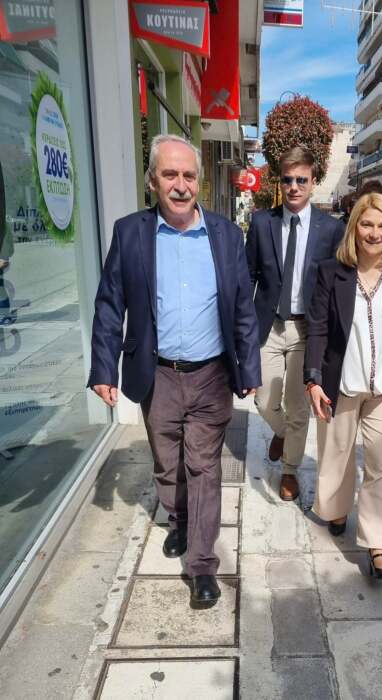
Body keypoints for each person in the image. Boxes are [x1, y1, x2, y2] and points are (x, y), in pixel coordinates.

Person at [89, 134, 260, 607]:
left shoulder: (226, 235)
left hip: (211, 375)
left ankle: (202, 564)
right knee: (168, 463)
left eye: (188, 175)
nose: (180, 185)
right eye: (170, 175)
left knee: (203, 465)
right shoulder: (130, 232)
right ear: (152, 181)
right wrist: (103, 367)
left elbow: (242, 308)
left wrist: (249, 367)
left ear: (199, 182)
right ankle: (179, 520)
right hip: (157, 374)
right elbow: (110, 304)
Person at [305, 192, 382, 580]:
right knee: (337, 456)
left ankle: (377, 543)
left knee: (380, 464)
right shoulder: (331, 271)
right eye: (367, 224)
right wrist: (312, 379)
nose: (374, 233)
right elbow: (318, 329)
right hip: (340, 384)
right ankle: (337, 509)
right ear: (354, 227)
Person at [245, 146, 344, 501]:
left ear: (313, 182)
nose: (294, 187)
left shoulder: (330, 229)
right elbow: (248, 276)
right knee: (264, 402)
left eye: (302, 180)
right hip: (270, 325)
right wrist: (244, 329)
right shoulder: (262, 223)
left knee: (298, 406)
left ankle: (289, 470)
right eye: (288, 179)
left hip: (307, 330)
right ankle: (283, 433)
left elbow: (338, 285)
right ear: (280, 182)